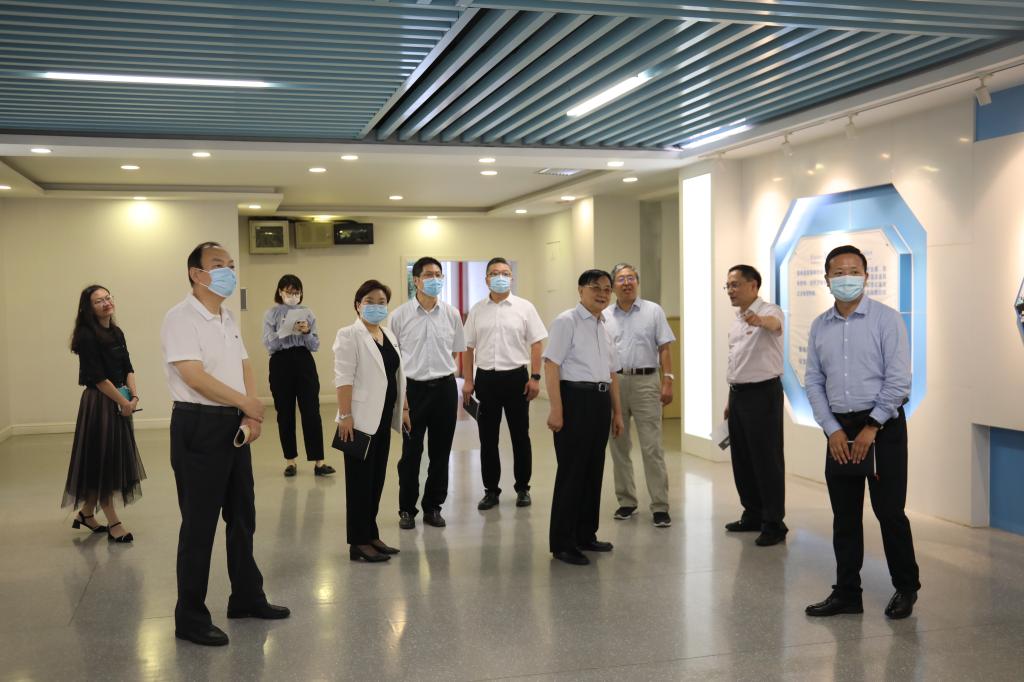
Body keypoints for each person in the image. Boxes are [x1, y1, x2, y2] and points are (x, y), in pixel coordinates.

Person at [161, 241, 289, 647]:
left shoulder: (227, 316)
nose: (228, 271)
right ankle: (190, 617)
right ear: (196, 273)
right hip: (198, 424)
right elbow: (193, 375)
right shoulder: (180, 317)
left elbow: (244, 364)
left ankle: (246, 597)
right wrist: (244, 403)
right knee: (199, 525)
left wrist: (251, 410)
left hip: (233, 422)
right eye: (218, 265)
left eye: (231, 265)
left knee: (242, 515)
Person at [803, 244, 920, 620]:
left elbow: (899, 379)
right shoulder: (820, 326)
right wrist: (832, 429)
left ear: (866, 277)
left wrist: (873, 425)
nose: (846, 278)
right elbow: (813, 381)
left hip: (882, 427)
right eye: (838, 273)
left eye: (854, 271)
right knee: (845, 516)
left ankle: (906, 588)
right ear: (827, 279)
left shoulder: (887, 320)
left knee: (890, 512)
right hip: (840, 429)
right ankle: (847, 593)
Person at [544, 269, 625, 566]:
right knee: (572, 472)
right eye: (595, 288)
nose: (602, 293)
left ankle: (585, 534)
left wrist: (617, 412)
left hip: (600, 401)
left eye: (607, 288)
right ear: (580, 290)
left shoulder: (606, 324)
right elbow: (551, 365)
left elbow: (612, 372)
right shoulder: (566, 321)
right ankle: (563, 543)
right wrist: (556, 408)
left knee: (593, 471)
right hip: (574, 400)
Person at [333, 280, 411, 563]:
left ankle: (371, 534)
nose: (376, 306)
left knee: (376, 479)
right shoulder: (348, 335)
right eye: (369, 301)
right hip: (359, 420)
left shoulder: (387, 334)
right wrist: (345, 415)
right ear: (358, 305)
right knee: (359, 482)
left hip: (384, 417)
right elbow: (343, 378)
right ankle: (358, 542)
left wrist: (404, 408)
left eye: (382, 302)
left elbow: (397, 376)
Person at [462, 257, 547, 510]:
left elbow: (537, 343)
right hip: (486, 380)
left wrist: (535, 377)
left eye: (505, 273)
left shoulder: (525, 307)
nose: (500, 277)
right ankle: (491, 490)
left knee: (520, 436)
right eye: (495, 273)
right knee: (488, 439)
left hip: (516, 379)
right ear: (486, 278)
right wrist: (468, 381)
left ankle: (523, 488)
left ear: (511, 277)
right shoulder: (477, 310)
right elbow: (467, 347)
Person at [63, 284, 145, 543]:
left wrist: (133, 397)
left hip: (119, 400)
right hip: (99, 403)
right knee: (104, 461)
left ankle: (86, 513)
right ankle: (114, 522)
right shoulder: (86, 336)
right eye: (98, 301)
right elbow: (98, 378)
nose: (106, 302)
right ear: (88, 308)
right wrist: (123, 401)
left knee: (107, 458)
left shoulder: (117, 332)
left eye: (108, 297)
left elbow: (128, 367)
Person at [389, 257, 466, 529]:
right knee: (411, 454)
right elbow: (395, 361)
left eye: (438, 275)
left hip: (445, 389)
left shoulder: (452, 314)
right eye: (429, 275)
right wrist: (403, 402)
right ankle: (407, 509)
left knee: (441, 453)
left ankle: (433, 507)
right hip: (413, 390)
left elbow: (456, 350)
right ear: (416, 280)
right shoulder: (399, 316)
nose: (435, 280)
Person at [603, 263, 676, 528]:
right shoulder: (604, 315)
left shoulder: (653, 311)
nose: (627, 283)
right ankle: (627, 501)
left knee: (652, 446)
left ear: (637, 282)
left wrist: (668, 380)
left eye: (631, 278)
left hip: (647, 381)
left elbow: (664, 347)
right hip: (615, 382)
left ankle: (660, 505)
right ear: (613, 286)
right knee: (619, 444)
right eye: (621, 279)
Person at [722, 264, 788, 546]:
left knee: (766, 460)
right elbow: (736, 361)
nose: (730, 290)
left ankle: (774, 523)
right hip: (738, 395)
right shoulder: (737, 320)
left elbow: (775, 325)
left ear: (753, 285)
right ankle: (753, 513)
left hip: (763, 394)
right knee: (743, 459)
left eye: (735, 284)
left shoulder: (770, 310)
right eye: (728, 286)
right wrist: (730, 399)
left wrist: (760, 320)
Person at [262, 274, 333, 477]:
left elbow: (315, 345)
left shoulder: (307, 312)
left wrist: (306, 332)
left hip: (304, 361)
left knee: (311, 411)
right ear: (280, 292)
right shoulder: (271, 314)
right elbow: (268, 344)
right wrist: (284, 331)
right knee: (284, 413)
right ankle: (290, 461)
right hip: (280, 362)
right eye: (289, 292)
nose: (293, 296)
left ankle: (319, 462)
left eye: (296, 292)